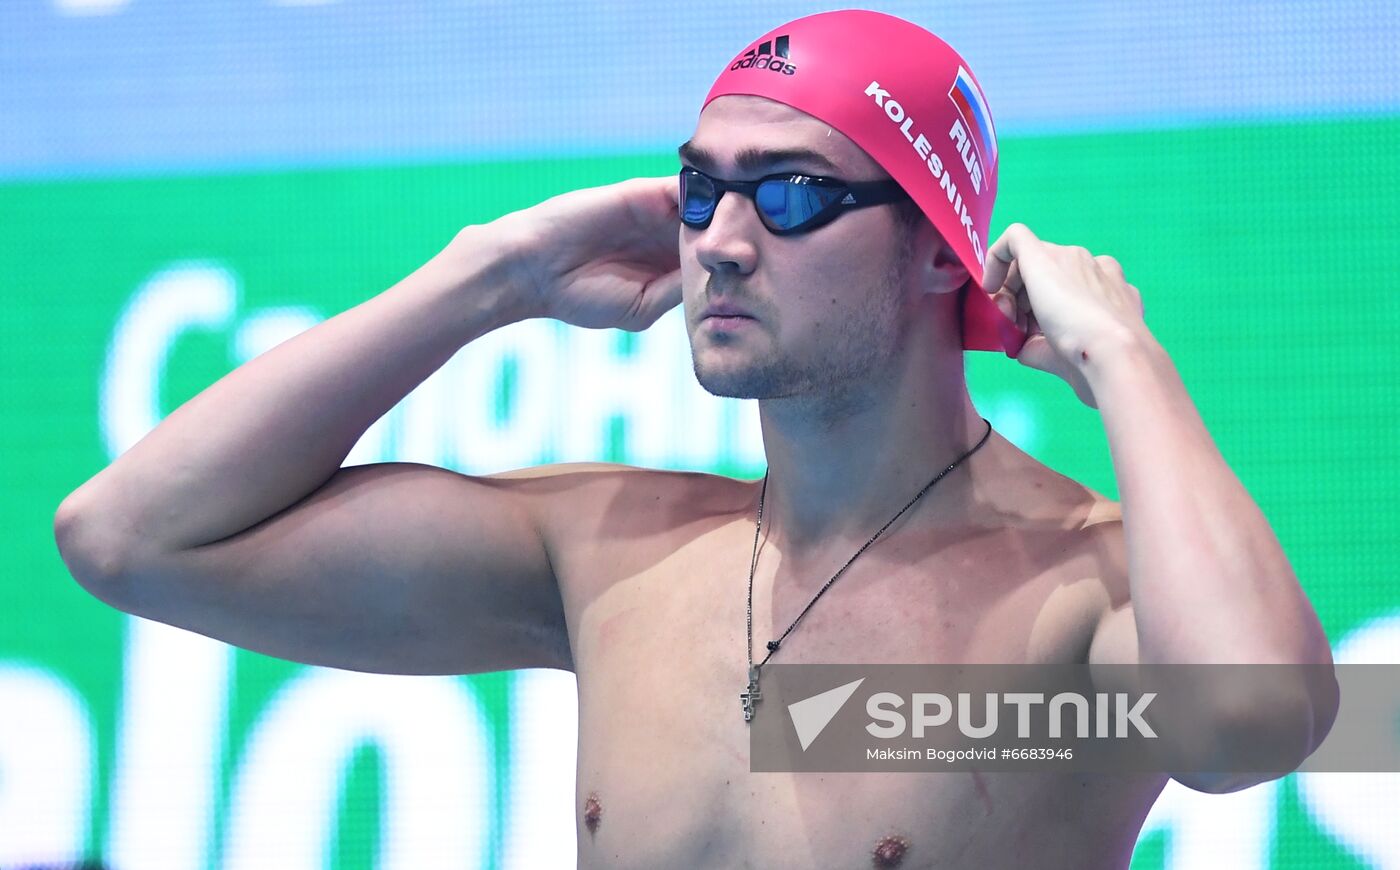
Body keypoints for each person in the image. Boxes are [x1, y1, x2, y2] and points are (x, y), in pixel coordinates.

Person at [53, 10, 1336, 869]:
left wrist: (1125, 359)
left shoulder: (1078, 586)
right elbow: (127, 537)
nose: (723, 238)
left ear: (936, 253)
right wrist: (486, 274)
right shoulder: (613, 556)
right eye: (701, 188)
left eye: (790, 194)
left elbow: (1258, 725)